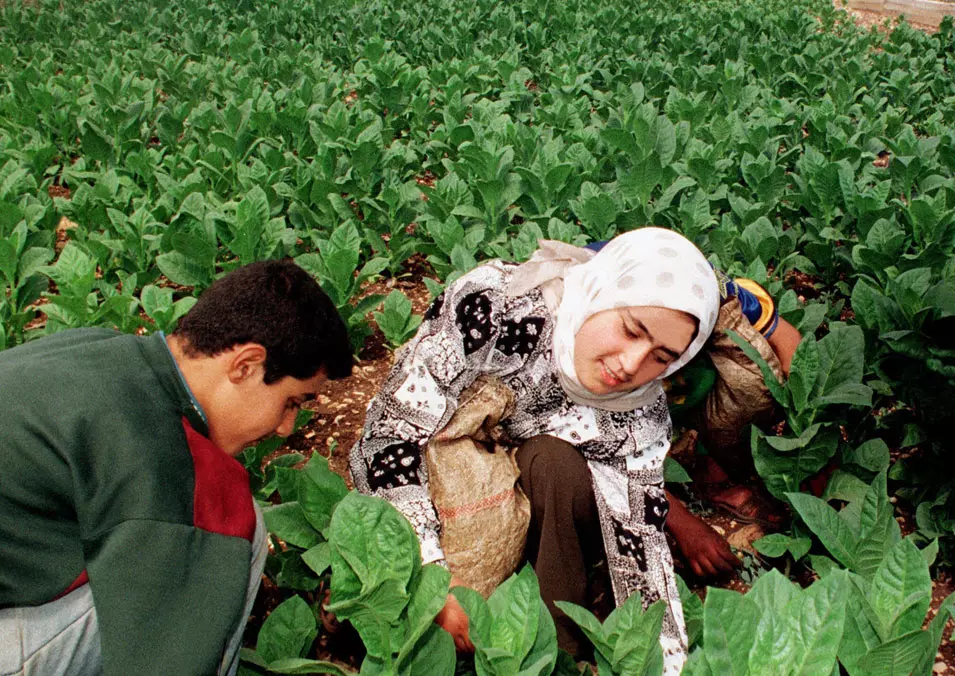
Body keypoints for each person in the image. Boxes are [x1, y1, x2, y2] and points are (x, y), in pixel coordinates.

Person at [350, 227, 722, 674]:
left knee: (557, 466)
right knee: (398, 593)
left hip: (527, 477)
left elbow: (641, 540)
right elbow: (391, 433)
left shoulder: (637, 411)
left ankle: (550, 655)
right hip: (442, 459)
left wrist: (665, 664)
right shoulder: (498, 306)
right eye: (629, 329)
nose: (630, 365)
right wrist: (436, 582)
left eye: (661, 357)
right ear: (601, 290)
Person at [0, 260, 352, 676]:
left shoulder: (94, 348)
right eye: (291, 402)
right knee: (235, 528)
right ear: (246, 365)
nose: (285, 427)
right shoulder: (157, 452)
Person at [584, 241, 803, 579]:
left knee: (751, 366)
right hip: (590, 396)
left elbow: (790, 347)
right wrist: (683, 525)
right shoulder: (586, 299)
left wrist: (806, 440)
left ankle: (706, 457)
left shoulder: (713, 291)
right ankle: (659, 461)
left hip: (673, 384)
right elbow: (584, 436)